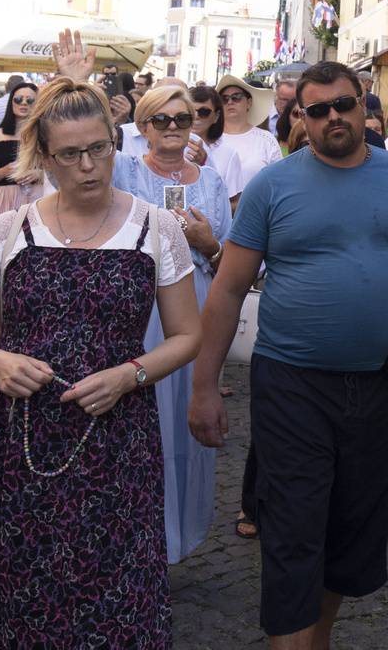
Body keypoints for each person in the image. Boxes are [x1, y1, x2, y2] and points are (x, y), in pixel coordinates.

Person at [186, 62, 388, 649]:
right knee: (291, 529)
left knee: (350, 529)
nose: (334, 116)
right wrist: (203, 388)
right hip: (292, 385)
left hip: (381, 386)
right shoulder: (273, 186)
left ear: (364, 105)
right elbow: (228, 289)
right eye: (319, 109)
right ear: (300, 119)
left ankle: (317, 640)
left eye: (345, 104)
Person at [0, 75, 201, 647]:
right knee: (17, 583)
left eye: (99, 149)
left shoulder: (156, 228)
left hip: (115, 438)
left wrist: (130, 374)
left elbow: (186, 336)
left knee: (110, 585)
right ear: (46, 158)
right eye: (71, 154)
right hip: (12, 439)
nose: (88, 166)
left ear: (116, 142)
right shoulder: (10, 230)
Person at [110, 81, 232, 564]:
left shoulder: (210, 180)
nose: (173, 128)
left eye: (183, 119)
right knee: (143, 421)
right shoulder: (125, 172)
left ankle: (175, 540)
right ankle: (138, 541)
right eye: (162, 119)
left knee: (186, 420)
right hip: (138, 311)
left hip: (195, 304)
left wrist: (206, 242)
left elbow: (228, 260)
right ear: (143, 126)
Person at [0, 81, 39, 222]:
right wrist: (6, 170)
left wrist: (38, 174)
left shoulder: (45, 136)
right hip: (3, 201)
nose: (23, 103)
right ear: (11, 102)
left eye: (29, 100)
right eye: (18, 99)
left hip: (36, 199)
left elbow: (58, 172)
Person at [214, 73, 283, 195]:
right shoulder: (210, 139)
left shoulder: (266, 139)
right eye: (224, 99)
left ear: (249, 102)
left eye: (236, 97)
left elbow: (279, 181)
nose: (230, 102)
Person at [268, 77, 298, 142]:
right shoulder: (264, 116)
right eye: (285, 100)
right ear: (276, 96)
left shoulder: (299, 118)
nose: (289, 104)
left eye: (293, 100)